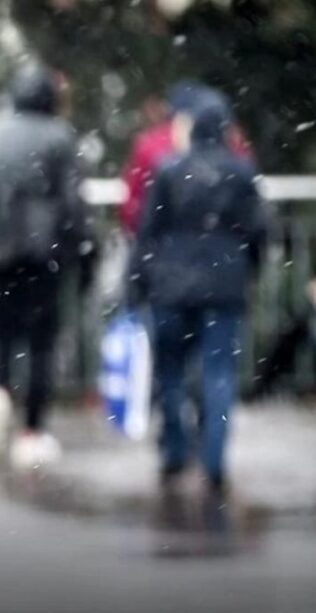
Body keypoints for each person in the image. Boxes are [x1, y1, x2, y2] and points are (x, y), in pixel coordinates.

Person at [0, 65, 95, 469]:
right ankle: (32, 432)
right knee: (40, 344)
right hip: (42, 255)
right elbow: (73, 205)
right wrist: (82, 253)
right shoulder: (59, 137)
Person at [130, 98, 269, 492]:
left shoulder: (168, 170)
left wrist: (138, 281)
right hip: (223, 287)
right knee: (219, 372)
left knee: (170, 370)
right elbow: (258, 231)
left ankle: (175, 452)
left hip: (170, 287)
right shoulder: (241, 174)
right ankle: (213, 459)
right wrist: (248, 270)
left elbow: (148, 233)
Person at [119, 81, 252, 238]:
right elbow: (249, 198)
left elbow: (132, 202)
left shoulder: (150, 144)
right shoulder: (231, 140)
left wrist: (146, 239)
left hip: (168, 247)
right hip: (225, 245)